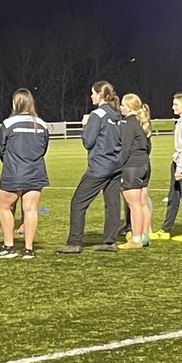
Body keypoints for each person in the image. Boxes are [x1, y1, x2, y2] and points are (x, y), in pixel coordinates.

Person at [57, 80, 124, 254]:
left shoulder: (98, 115)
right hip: (116, 165)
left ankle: (74, 242)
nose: (91, 96)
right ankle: (110, 241)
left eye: (93, 93)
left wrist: (85, 125)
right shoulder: (115, 114)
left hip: (100, 166)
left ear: (100, 94)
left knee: (78, 202)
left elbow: (88, 142)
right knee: (112, 204)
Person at [0, 88, 50, 259]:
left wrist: (10, 162)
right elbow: (43, 148)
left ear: (15, 103)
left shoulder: (9, 124)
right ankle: (28, 249)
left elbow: (0, 148)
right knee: (31, 209)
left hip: (14, 173)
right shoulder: (41, 124)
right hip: (35, 172)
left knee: (3, 207)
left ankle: (9, 247)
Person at [153, 92, 182, 242]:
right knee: (173, 198)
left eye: (176, 104)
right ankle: (165, 230)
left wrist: (179, 168)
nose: (172, 107)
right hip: (179, 162)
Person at [117, 93, 152, 249]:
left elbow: (124, 150)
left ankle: (136, 239)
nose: (120, 108)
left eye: (123, 105)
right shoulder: (140, 124)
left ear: (129, 107)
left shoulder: (128, 124)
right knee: (142, 203)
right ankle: (144, 235)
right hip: (144, 165)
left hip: (132, 167)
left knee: (134, 205)